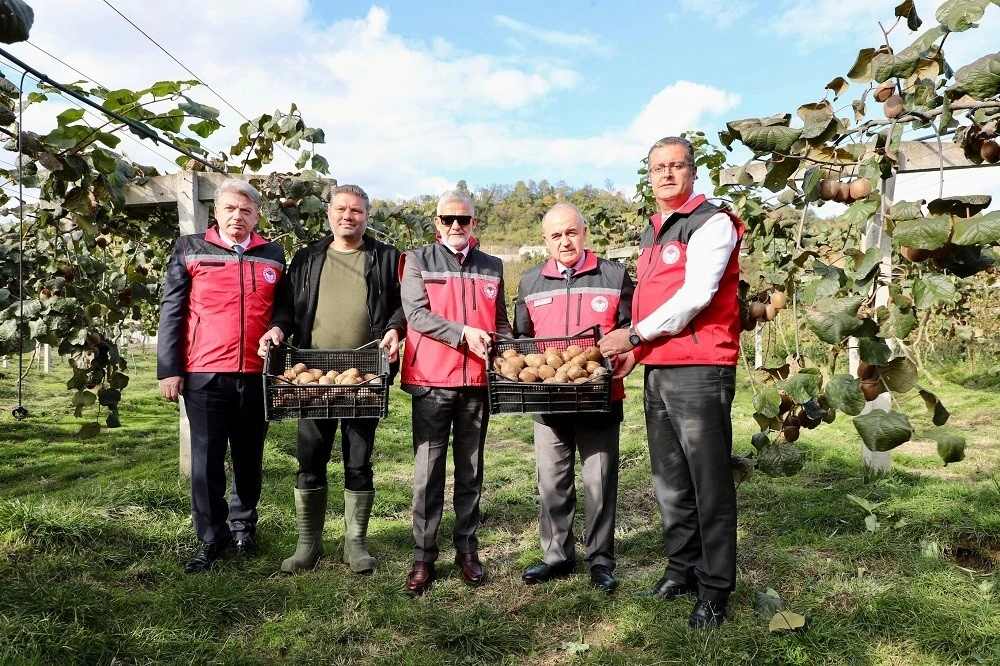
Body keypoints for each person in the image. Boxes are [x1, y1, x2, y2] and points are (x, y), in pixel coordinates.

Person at [599, 136, 744, 628]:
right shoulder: (655, 231)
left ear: (692, 171)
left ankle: (715, 587)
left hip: (701, 370)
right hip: (660, 370)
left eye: (676, 166)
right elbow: (652, 302)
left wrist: (633, 334)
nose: (666, 174)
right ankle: (682, 566)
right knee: (669, 481)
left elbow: (697, 295)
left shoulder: (712, 222)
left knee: (709, 483)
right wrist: (636, 352)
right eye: (657, 167)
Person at [259, 184, 405, 576]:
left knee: (359, 461)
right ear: (329, 214)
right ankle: (309, 542)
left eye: (356, 210)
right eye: (341, 209)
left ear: (367, 216)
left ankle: (355, 543)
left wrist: (394, 330)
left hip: (363, 377)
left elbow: (401, 305)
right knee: (310, 459)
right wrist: (277, 329)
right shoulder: (308, 258)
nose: (348, 216)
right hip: (313, 375)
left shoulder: (386, 258)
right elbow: (287, 305)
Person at [157, 178, 285, 573]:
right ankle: (211, 536)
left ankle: (243, 526)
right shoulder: (190, 248)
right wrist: (169, 368)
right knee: (206, 460)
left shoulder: (273, 254)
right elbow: (172, 310)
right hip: (205, 374)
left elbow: (285, 308)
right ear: (217, 211)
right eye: (230, 209)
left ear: (257, 216)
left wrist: (279, 326)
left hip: (256, 373)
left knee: (249, 457)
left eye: (246, 210)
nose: (237, 216)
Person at [513, 203, 634, 594]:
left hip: (599, 395)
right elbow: (521, 339)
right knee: (552, 479)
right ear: (545, 241)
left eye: (571, 232)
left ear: (584, 233)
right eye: (555, 235)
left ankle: (600, 560)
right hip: (548, 398)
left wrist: (631, 355)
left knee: (599, 481)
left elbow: (635, 327)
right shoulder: (530, 281)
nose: (565, 241)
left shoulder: (614, 275)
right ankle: (557, 556)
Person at [399, 189, 512, 596]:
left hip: (476, 384)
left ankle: (467, 549)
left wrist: (508, 354)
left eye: (463, 220)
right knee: (427, 474)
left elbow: (499, 322)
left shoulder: (492, 265)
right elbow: (417, 315)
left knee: (471, 470)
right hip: (432, 380)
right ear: (436, 223)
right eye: (447, 220)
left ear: (474, 223)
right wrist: (464, 334)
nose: (455, 227)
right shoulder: (416, 260)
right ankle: (423, 556)